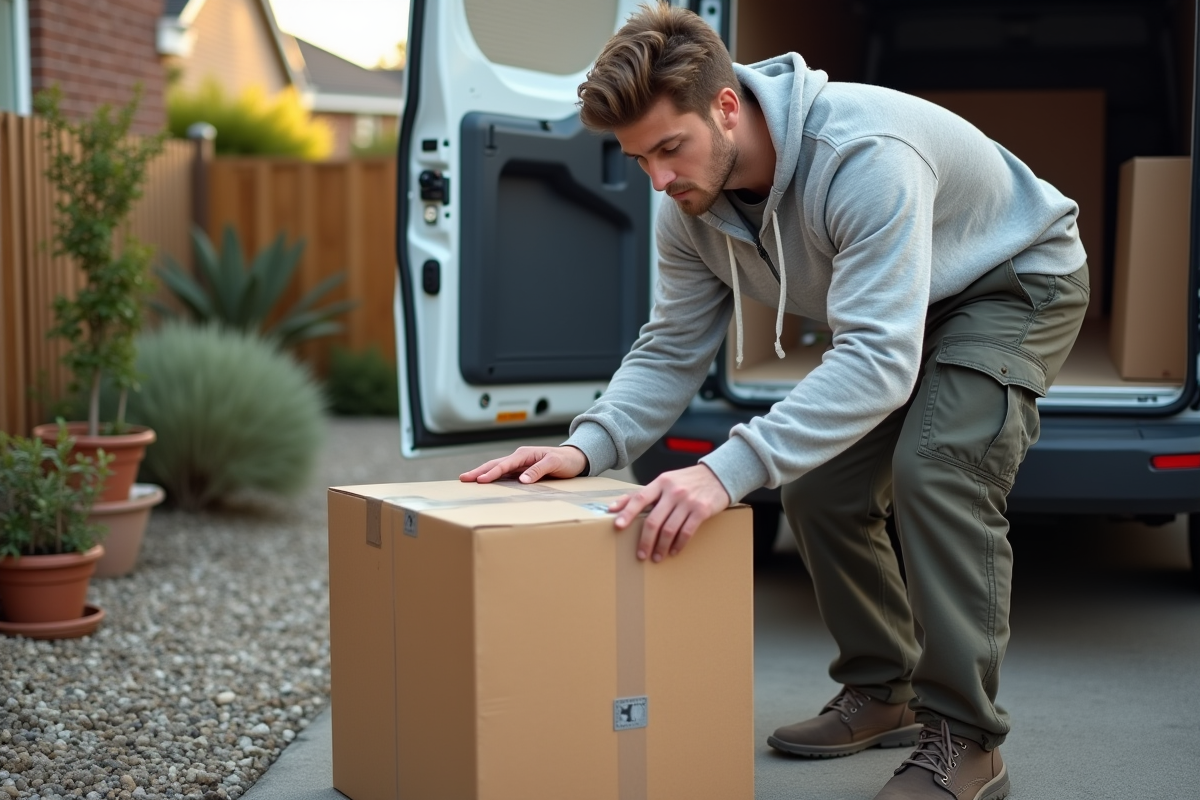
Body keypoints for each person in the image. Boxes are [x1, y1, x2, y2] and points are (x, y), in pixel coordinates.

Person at [461, 5, 1088, 798]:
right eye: (638, 158)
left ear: (726, 107)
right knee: (818, 484)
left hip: (1011, 281)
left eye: (669, 148)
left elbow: (878, 359)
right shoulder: (688, 209)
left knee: (938, 468)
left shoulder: (862, 155)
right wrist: (585, 447)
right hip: (909, 301)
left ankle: (967, 738)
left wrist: (722, 471)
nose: (658, 179)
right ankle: (883, 690)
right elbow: (671, 347)